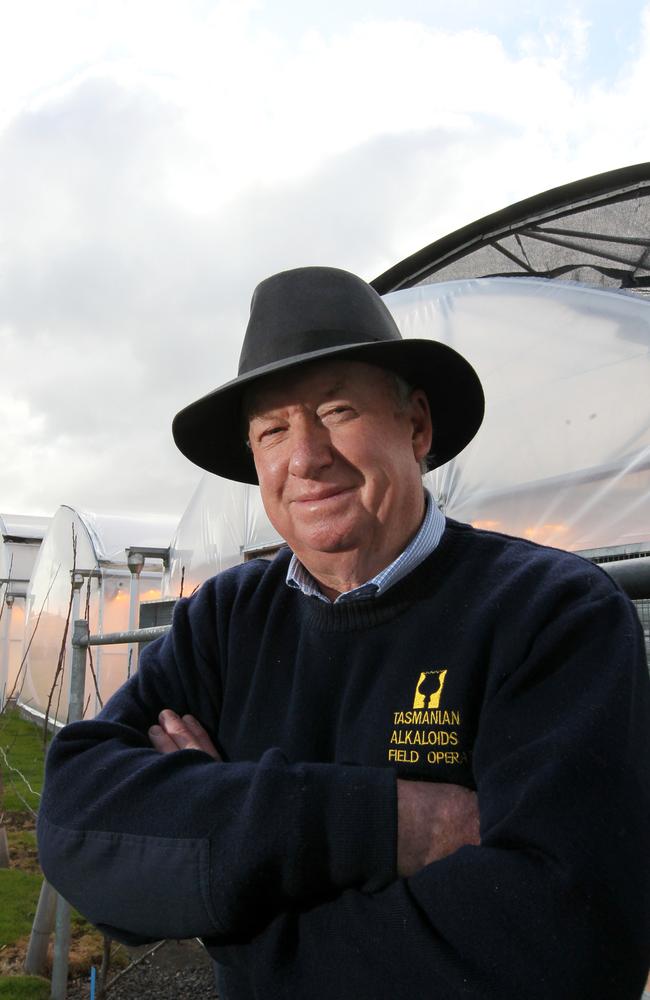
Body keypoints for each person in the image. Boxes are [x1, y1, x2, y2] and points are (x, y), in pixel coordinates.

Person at [38, 266, 650, 999]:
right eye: (271, 431)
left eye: (336, 411)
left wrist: (224, 901)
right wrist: (397, 825)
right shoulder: (224, 621)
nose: (304, 456)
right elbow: (81, 829)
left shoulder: (551, 614)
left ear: (416, 425)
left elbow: (564, 946)